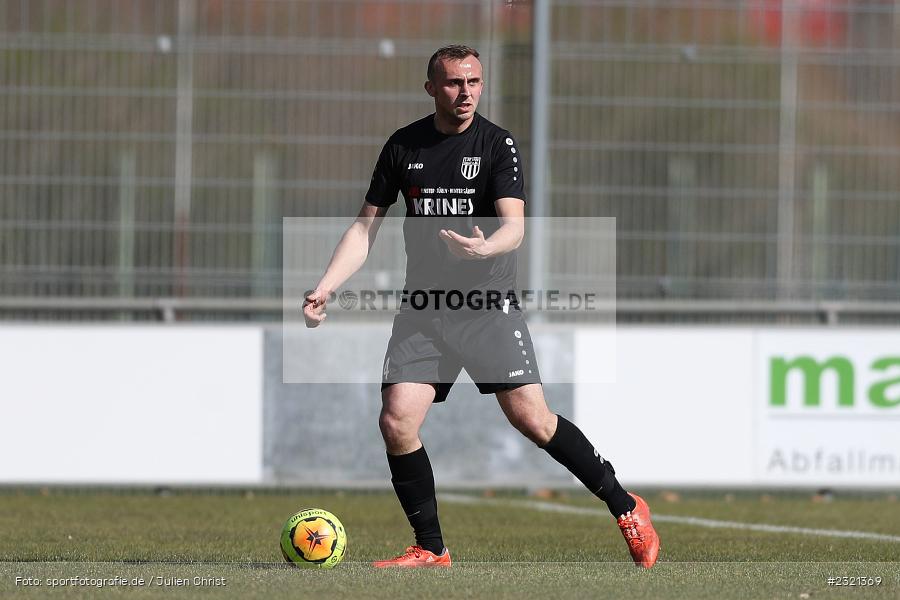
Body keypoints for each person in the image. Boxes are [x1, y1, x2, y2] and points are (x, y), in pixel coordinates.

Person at [303, 45, 659, 569]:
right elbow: (365, 226)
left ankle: (626, 507)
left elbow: (514, 226)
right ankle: (431, 548)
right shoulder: (404, 145)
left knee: (534, 421)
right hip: (424, 308)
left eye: (473, 81)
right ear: (431, 88)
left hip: (487, 306)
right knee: (397, 420)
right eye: (453, 82)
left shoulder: (497, 144)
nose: (465, 91)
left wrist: (484, 247)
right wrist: (326, 285)